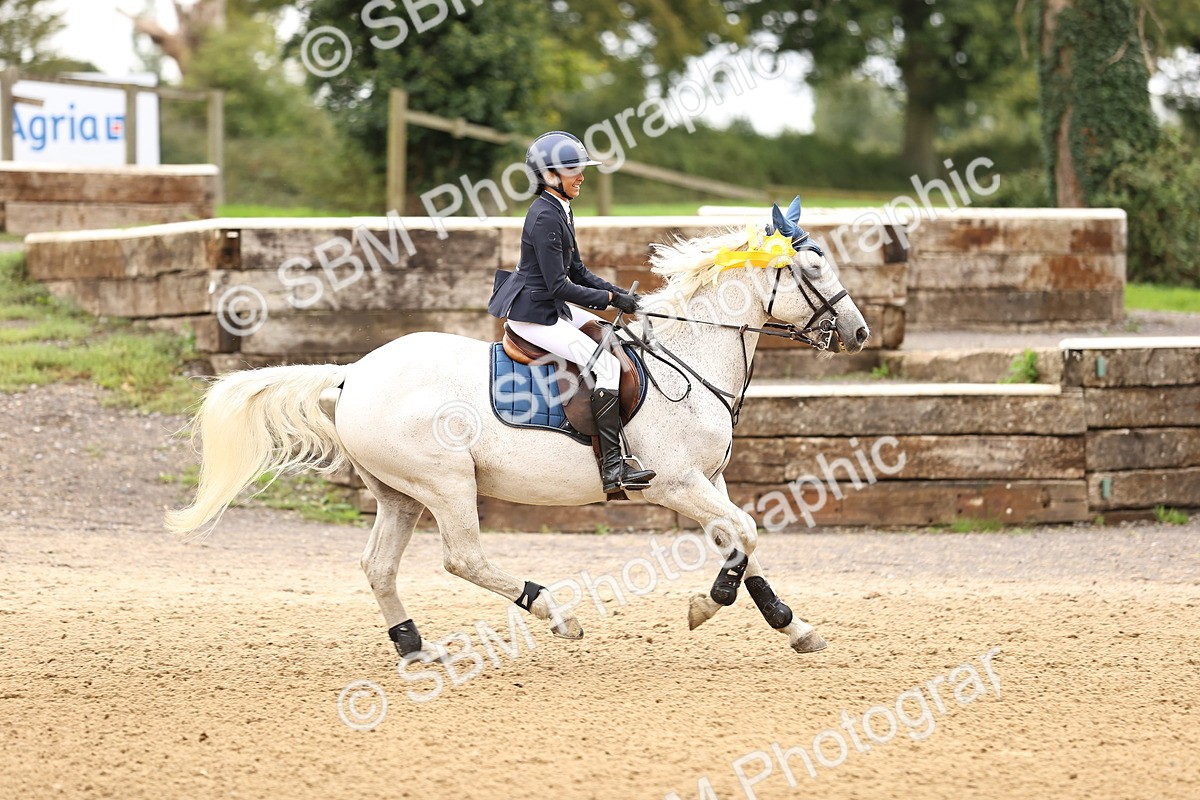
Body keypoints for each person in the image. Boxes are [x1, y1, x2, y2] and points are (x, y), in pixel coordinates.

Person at [488, 131, 656, 493]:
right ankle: (612, 468)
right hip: (536, 314)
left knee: (610, 336)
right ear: (549, 175)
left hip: (553, 305)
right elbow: (558, 286)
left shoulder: (560, 208)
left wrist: (616, 291)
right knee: (606, 365)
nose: (581, 175)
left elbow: (577, 270)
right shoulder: (545, 217)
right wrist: (611, 301)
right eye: (573, 169)